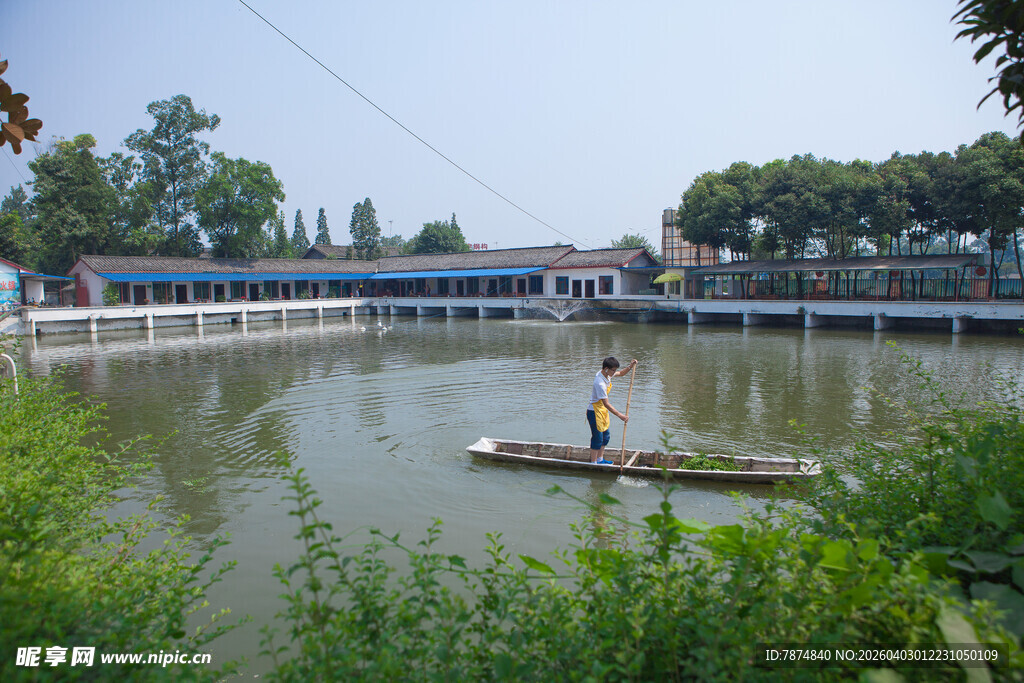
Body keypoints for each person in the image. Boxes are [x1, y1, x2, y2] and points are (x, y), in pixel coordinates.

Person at [586, 356, 637, 464]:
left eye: (614, 370)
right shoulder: (600, 383)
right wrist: (621, 416)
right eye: (613, 370)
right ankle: (593, 462)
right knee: (597, 438)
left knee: (606, 436)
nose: (614, 372)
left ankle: (600, 459)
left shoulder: (607, 375)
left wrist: (630, 366)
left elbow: (621, 373)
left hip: (602, 410)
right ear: (606, 369)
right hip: (594, 412)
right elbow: (607, 404)